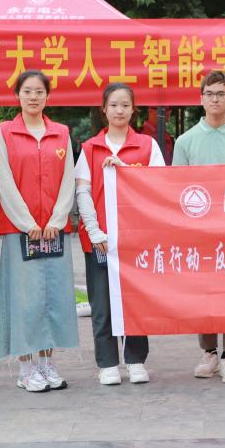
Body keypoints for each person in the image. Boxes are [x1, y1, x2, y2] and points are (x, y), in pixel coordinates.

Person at [0, 70, 79, 393]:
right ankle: (26, 368)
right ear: (17, 95)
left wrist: (57, 218)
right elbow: (4, 180)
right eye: (27, 91)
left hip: (54, 232)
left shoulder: (61, 133)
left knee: (53, 298)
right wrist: (27, 222)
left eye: (39, 91)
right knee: (25, 299)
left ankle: (47, 364)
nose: (33, 97)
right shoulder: (5, 132)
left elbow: (68, 178)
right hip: (21, 232)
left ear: (47, 96)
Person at [76, 83, 165, 385]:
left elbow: (158, 187)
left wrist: (124, 168)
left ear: (133, 109)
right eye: (113, 105)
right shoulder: (90, 148)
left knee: (135, 302)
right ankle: (107, 363)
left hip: (135, 240)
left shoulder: (147, 146)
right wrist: (94, 231)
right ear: (104, 109)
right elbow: (83, 192)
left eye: (125, 105)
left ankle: (136, 360)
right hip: (100, 241)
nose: (119, 110)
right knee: (102, 303)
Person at [173, 71, 225, 383]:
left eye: (221, 94)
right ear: (201, 99)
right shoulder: (185, 141)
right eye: (209, 94)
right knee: (203, 291)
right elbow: (177, 188)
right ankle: (209, 351)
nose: (215, 99)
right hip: (199, 231)